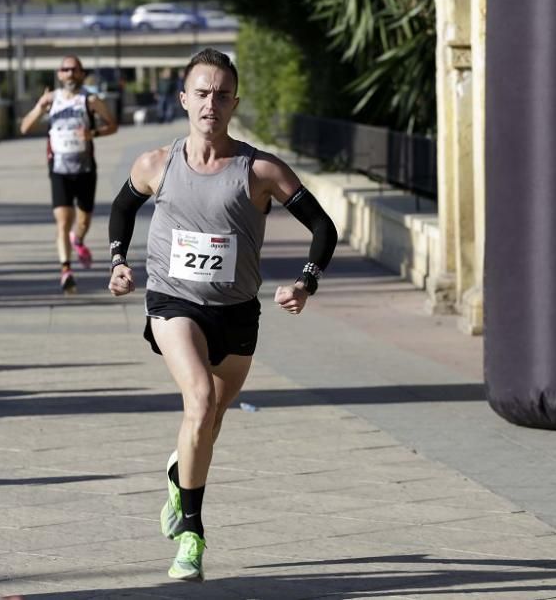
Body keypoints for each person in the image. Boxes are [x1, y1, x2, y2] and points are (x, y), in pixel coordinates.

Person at [107, 48, 338, 581]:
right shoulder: (156, 164)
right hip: (173, 302)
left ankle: (177, 471)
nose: (211, 102)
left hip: (237, 311)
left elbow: (322, 227)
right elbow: (122, 208)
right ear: (184, 98)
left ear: (235, 102)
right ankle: (191, 535)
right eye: (202, 92)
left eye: (222, 94)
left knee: (208, 420)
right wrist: (120, 260)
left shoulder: (259, 170)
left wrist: (306, 281)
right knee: (200, 399)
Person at [20, 55, 118, 293]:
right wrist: (39, 107)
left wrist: (92, 133)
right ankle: (66, 270)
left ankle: (79, 240)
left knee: (83, 221)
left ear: (82, 74)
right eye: (65, 70)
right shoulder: (50, 100)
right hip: (59, 170)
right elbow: (24, 127)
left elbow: (113, 125)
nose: (70, 74)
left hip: (85, 169)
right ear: (59, 74)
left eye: (74, 70)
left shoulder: (91, 100)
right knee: (63, 222)